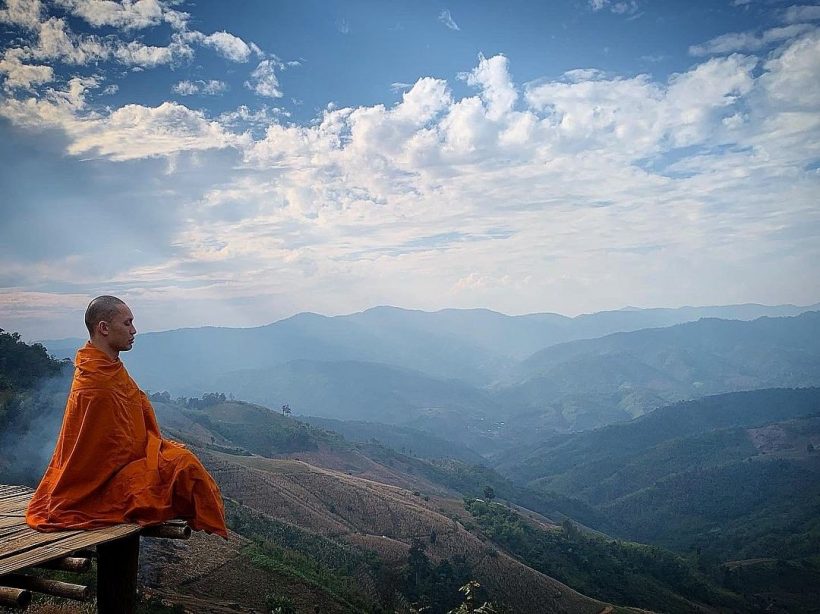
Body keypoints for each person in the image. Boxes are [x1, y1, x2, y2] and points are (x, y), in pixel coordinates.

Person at [26, 296, 227, 537]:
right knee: (183, 467)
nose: (134, 330)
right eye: (127, 323)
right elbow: (104, 451)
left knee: (181, 461)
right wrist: (149, 461)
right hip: (100, 481)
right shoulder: (96, 381)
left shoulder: (108, 366)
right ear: (104, 328)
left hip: (129, 458)